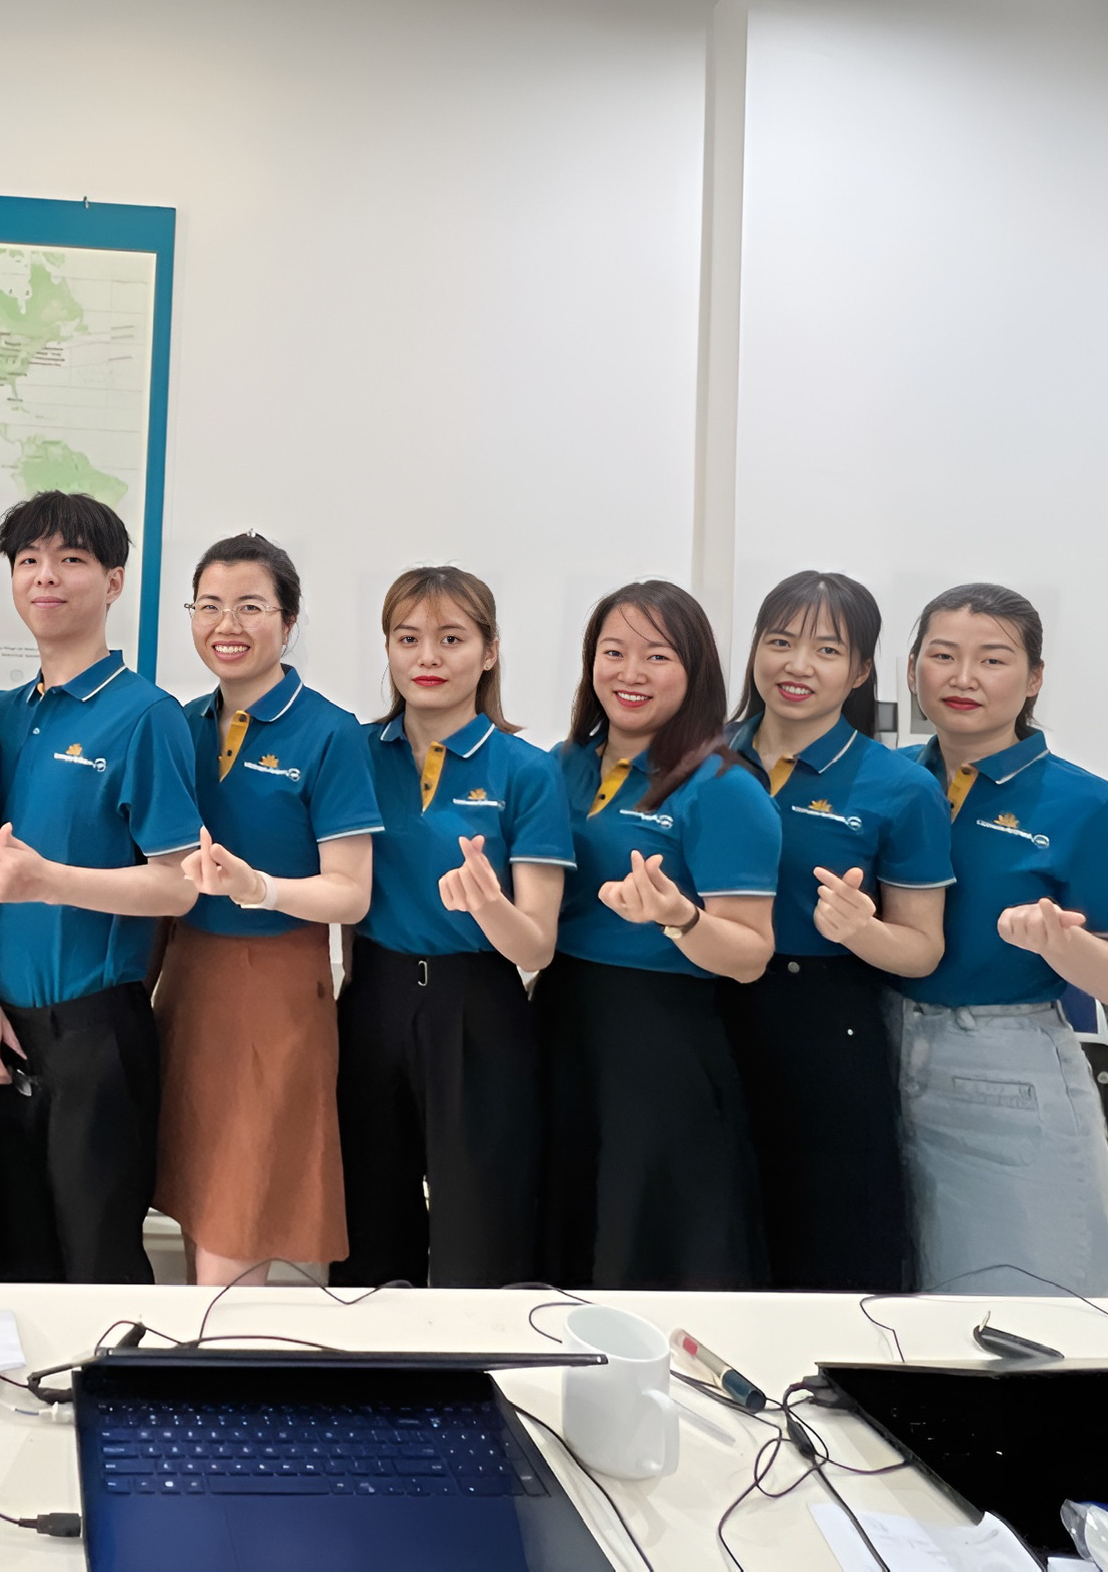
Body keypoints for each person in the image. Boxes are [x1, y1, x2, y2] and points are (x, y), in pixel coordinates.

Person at [0, 490, 202, 1282]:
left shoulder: (145, 716)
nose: (46, 576)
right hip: (0, 1033)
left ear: (113, 582)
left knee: (97, 1263)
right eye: (28, 560)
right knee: (11, 1257)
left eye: (70, 559)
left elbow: (177, 887)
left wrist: (48, 881)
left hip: (95, 1034)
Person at [896, 583, 1108, 1297]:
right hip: (877, 1051)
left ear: (1034, 678)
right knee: (888, 1310)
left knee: (1027, 1308)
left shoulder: (1088, 805)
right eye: (942, 655)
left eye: (992, 659)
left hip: (1001, 1069)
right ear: (912, 668)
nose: (963, 678)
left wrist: (1057, 943)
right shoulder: (887, 782)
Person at [332, 566, 569, 1288]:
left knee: (480, 1230)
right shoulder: (352, 754)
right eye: (408, 639)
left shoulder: (527, 770)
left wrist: (489, 904)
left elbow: (537, 945)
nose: (427, 657)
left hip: (478, 1004)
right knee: (369, 1224)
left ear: (489, 652)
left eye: (452, 639)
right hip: (372, 998)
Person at [542, 579, 781, 1289]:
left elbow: (750, 954)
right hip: (560, 1017)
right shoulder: (564, 764)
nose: (631, 673)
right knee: (562, 1228)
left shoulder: (722, 786)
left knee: (643, 1242)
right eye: (613, 652)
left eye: (657, 656)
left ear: (694, 670)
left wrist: (680, 917)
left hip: (660, 1037)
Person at [155, 533, 381, 1285]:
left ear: (288, 622)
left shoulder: (329, 731)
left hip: (276, 986)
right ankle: (202, 1348)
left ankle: (228, 1353)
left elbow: (350, 890)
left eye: (251, 607)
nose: (227, 624)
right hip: (186, 978)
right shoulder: (182, 722)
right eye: (209, 606)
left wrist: (261, 888)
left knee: (244, 1204)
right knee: (196, 1194)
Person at [721, 571, 951, 1292]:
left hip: (825, 1023)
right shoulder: (699, 758)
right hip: (703, 1010)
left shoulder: (900, 787)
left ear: (859, 672)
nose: (797, 665)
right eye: (780, 642)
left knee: (826, 1243)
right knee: (713, 1231)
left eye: (826, 650)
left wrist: (860, 930)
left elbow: (922, 948)